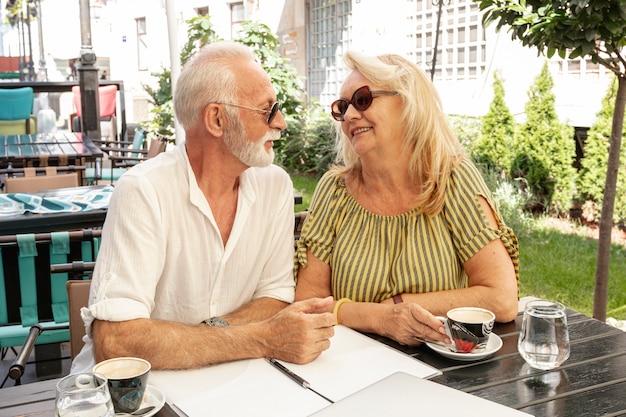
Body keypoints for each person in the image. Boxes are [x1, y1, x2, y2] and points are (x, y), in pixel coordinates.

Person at [71, 41, 335, 373]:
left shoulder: (275, 185)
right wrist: (260, 339)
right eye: (267, 109)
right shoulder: (145, 190)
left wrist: (199, 340)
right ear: (217, 119)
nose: (281, 122)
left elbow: (276, 299)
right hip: (135, 396)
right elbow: (117, 341)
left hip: (227, 380)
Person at [294, 51, 519, 347]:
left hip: (441, 368)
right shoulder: (334, 190)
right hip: (347, 368)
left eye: (362, 99)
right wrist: (380, 318)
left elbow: (501, 298)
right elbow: (308, 304)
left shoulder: (451, 179)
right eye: (342, 107)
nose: (348, 116)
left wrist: (400, 303)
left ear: (408, 103)